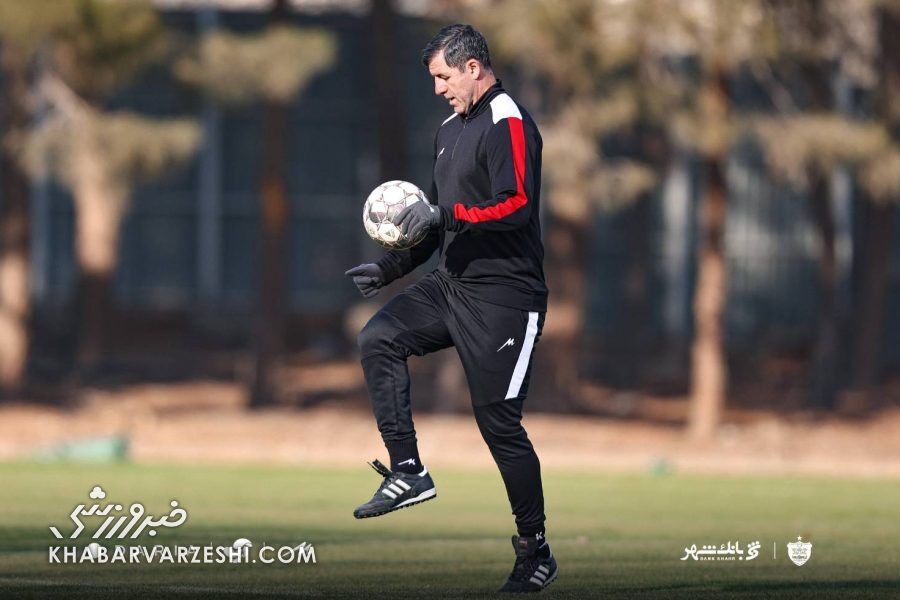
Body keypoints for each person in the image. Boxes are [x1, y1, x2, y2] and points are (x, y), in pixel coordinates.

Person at [344, 23, 557, 593]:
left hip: (506, 298)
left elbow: (516, 204)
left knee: (499, 426)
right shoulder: (447, 131)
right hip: (452, 285)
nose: (438, 88)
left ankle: (534, 551)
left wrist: (445, 215)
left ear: (472, 68)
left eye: (442, 77)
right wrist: (388, 268)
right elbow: (437, 226)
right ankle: (408, 470)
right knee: (378, 338)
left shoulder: (509, 120)